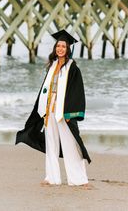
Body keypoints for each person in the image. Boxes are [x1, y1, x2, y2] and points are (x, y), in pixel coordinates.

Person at [15, 30, 91, 187]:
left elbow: (76, 92)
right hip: (49, 111)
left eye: (63, 46)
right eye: (58, 46)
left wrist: (70, 113)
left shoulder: (73, 68)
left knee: (71, 145)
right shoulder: (52, 66)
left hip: (63, 113)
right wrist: (42, 110)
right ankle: (52, 177)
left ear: (68, 49)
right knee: (51, 145)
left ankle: (79, 179)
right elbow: (45, 89)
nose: (60, 48)